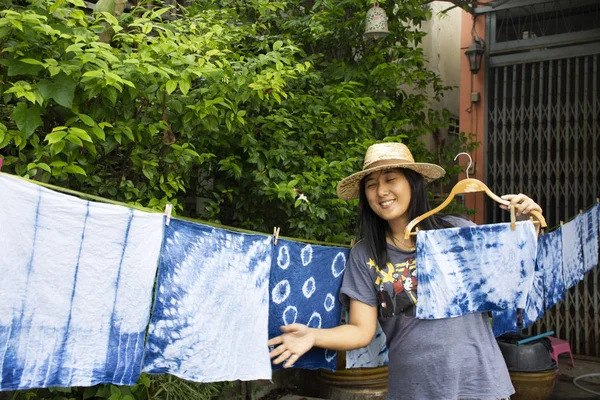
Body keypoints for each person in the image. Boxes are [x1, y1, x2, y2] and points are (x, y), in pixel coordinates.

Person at [268, 142, 543, 400]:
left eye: (390, 179)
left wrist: (528, 228)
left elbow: (510, 279)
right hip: (413, 388)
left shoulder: (459, 231)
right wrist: (313, 335)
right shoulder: (366, 254)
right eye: (372, 185)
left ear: (412, 183)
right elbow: (361, 331)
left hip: (480, 384)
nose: (381, 191)